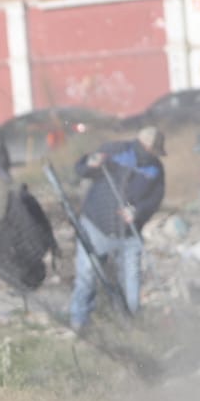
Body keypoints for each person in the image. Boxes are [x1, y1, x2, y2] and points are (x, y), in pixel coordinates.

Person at [68, 125, 166, 328]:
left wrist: (137, 211)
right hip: (96, 225)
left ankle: (131, 325)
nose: (156, 155)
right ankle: (79, 323)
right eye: (155, 150)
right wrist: (91, 163)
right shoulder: (114, 151)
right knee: (87, 277)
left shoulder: (156, 169)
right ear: (146, 146)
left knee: (132, 284)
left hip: (129, 234)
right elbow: (81, 169)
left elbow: (154, 200)